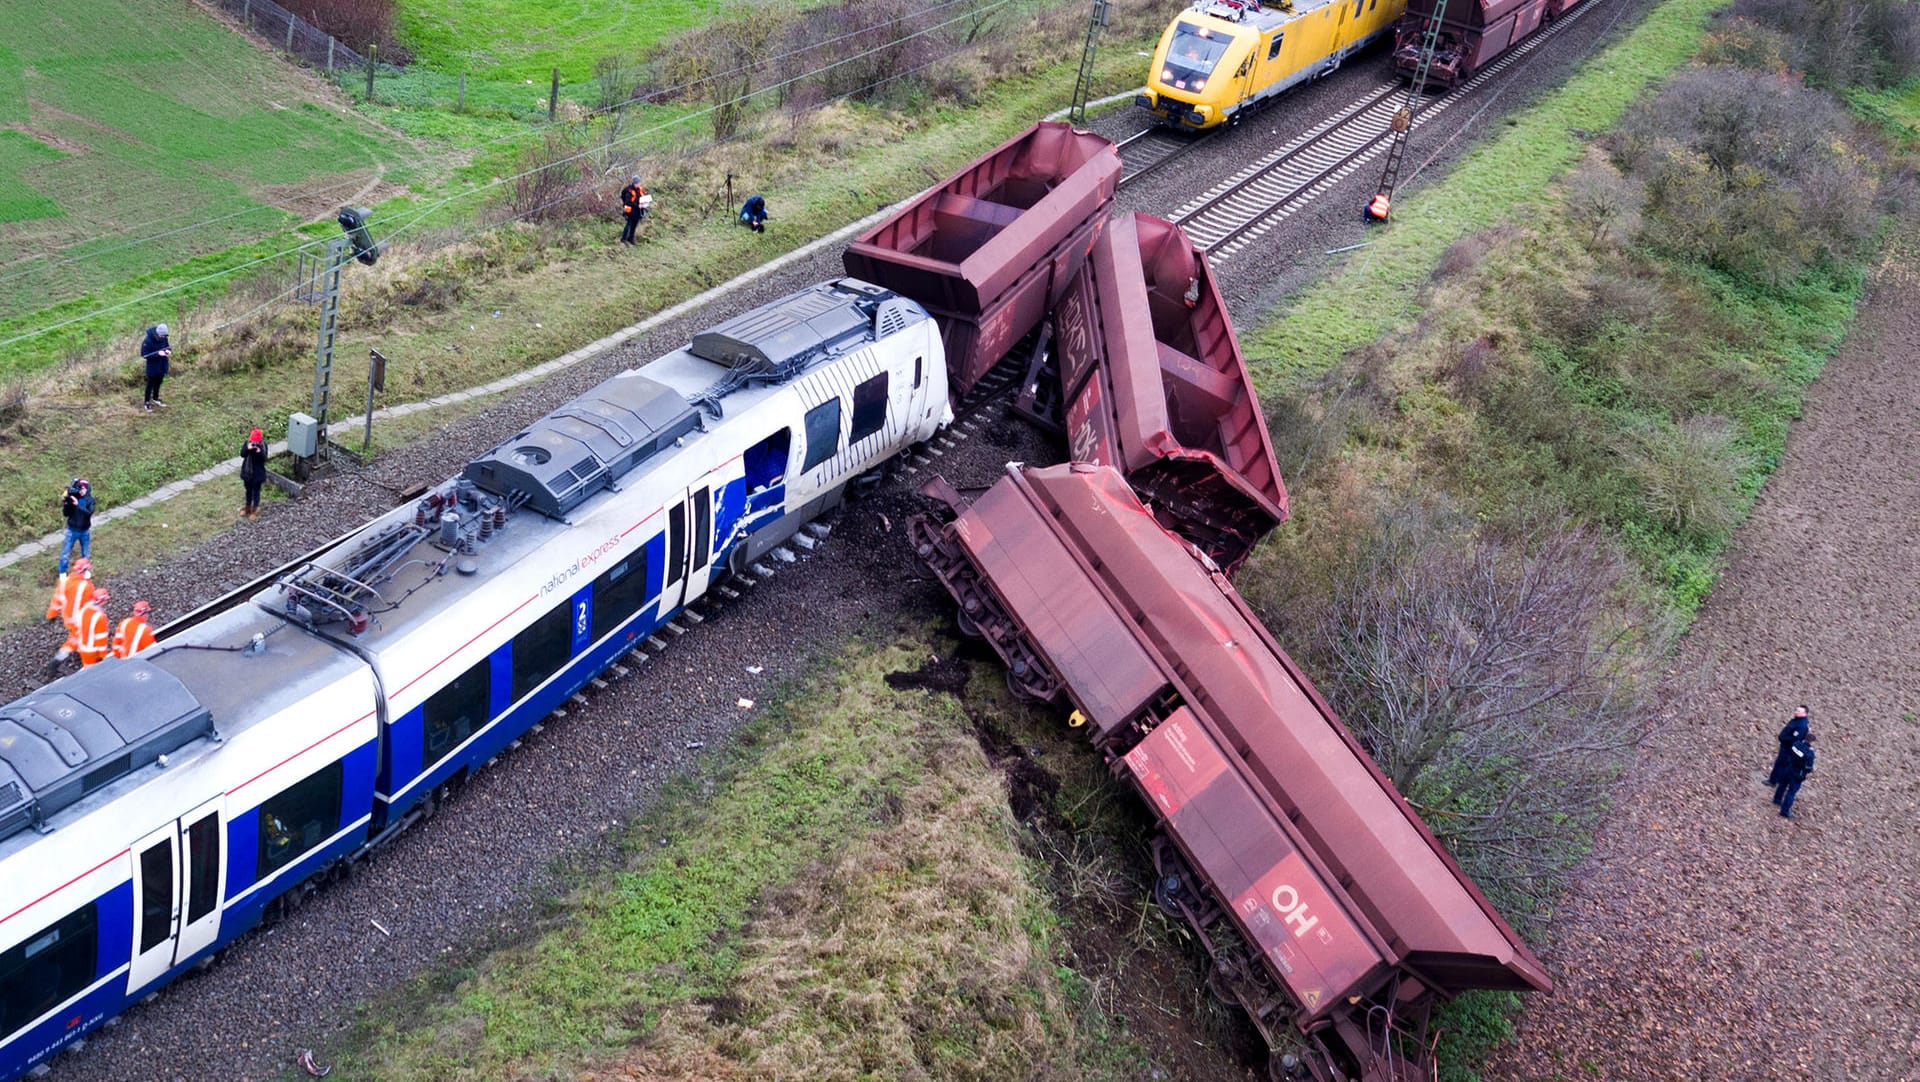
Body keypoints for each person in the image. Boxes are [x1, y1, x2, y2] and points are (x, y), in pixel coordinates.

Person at [49, 586, 110, 677]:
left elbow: (78, 625)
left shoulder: (84, 609)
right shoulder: (100, 617)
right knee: (91, 671)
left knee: (67, 649)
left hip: (79, 640)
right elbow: (101, 638)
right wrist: (102, 655)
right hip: (90, 649)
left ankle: (55, 663)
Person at [1772, 733, 1816, 818]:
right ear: (1812, 742)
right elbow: (1808, 767)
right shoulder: (1809, 753)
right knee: (1791, 792)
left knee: (1782, 785)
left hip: (1789, 767)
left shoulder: (1796, 744)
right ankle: (1785, 811)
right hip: (1798, 773)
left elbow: (1790, 753)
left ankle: (1777, 799)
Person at [1767, 705, 1811, 788]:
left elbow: (1795, 738)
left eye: (1799, 711)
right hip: (1785, 746)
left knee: (1781, 764)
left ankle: (1774, 781)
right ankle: (1776, 780)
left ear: (1805, 714)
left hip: (1788, 748)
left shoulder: (1802, 725)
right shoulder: (1797, 720)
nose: (1796, 712)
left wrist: (1784, 739)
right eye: (1796, 710)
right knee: (1780, 764)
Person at [58, 478, 94, 574]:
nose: (81, 491)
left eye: (83, 489)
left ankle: (85, 571)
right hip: (72, 530)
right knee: (65, 554)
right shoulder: (73, 497)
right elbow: (66, 514)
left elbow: (89, 513)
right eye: (80, 488)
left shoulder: (90, 500)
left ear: (87, 489)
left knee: (86, 554)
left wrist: (78, 505)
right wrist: (67, 503)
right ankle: (62, 573)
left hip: (85, 531)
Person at [141, 323, 172, 410]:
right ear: (157, 334)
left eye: (165, 336)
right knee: (150, 384)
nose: (163, 337)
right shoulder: (148, 341)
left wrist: (168, 351)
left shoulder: (164, 338)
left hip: (162, 364)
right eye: (162, 336)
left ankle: (155, 398)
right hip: (153, 366)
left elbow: (168, 347)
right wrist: (157, 354)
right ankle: (146, 402)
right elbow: (144, 355)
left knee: (159, 382)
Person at [240, 427, 268, 519]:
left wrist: (259, 452)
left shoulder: (263, 445)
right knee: (248, 491)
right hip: (247, 473)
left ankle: (254, 510)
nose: (254, 443)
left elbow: (264, 458)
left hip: (257, 474)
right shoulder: (247, 443)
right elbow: (242, 454)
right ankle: (247, 507)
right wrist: (248, 449)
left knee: (256, 492)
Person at [618, 175, 650, 245]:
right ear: (634, 183)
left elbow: (643, 196)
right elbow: (628, 202)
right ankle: (623, 240)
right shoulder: (629, 191)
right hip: (630, 211)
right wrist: (637, 205)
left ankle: (631, 239)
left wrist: (646, 199)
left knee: (635, 225)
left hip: (638, 211)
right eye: (637, 183)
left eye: (639, 182)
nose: (638, 184)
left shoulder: (640, 189)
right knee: (629, 225)